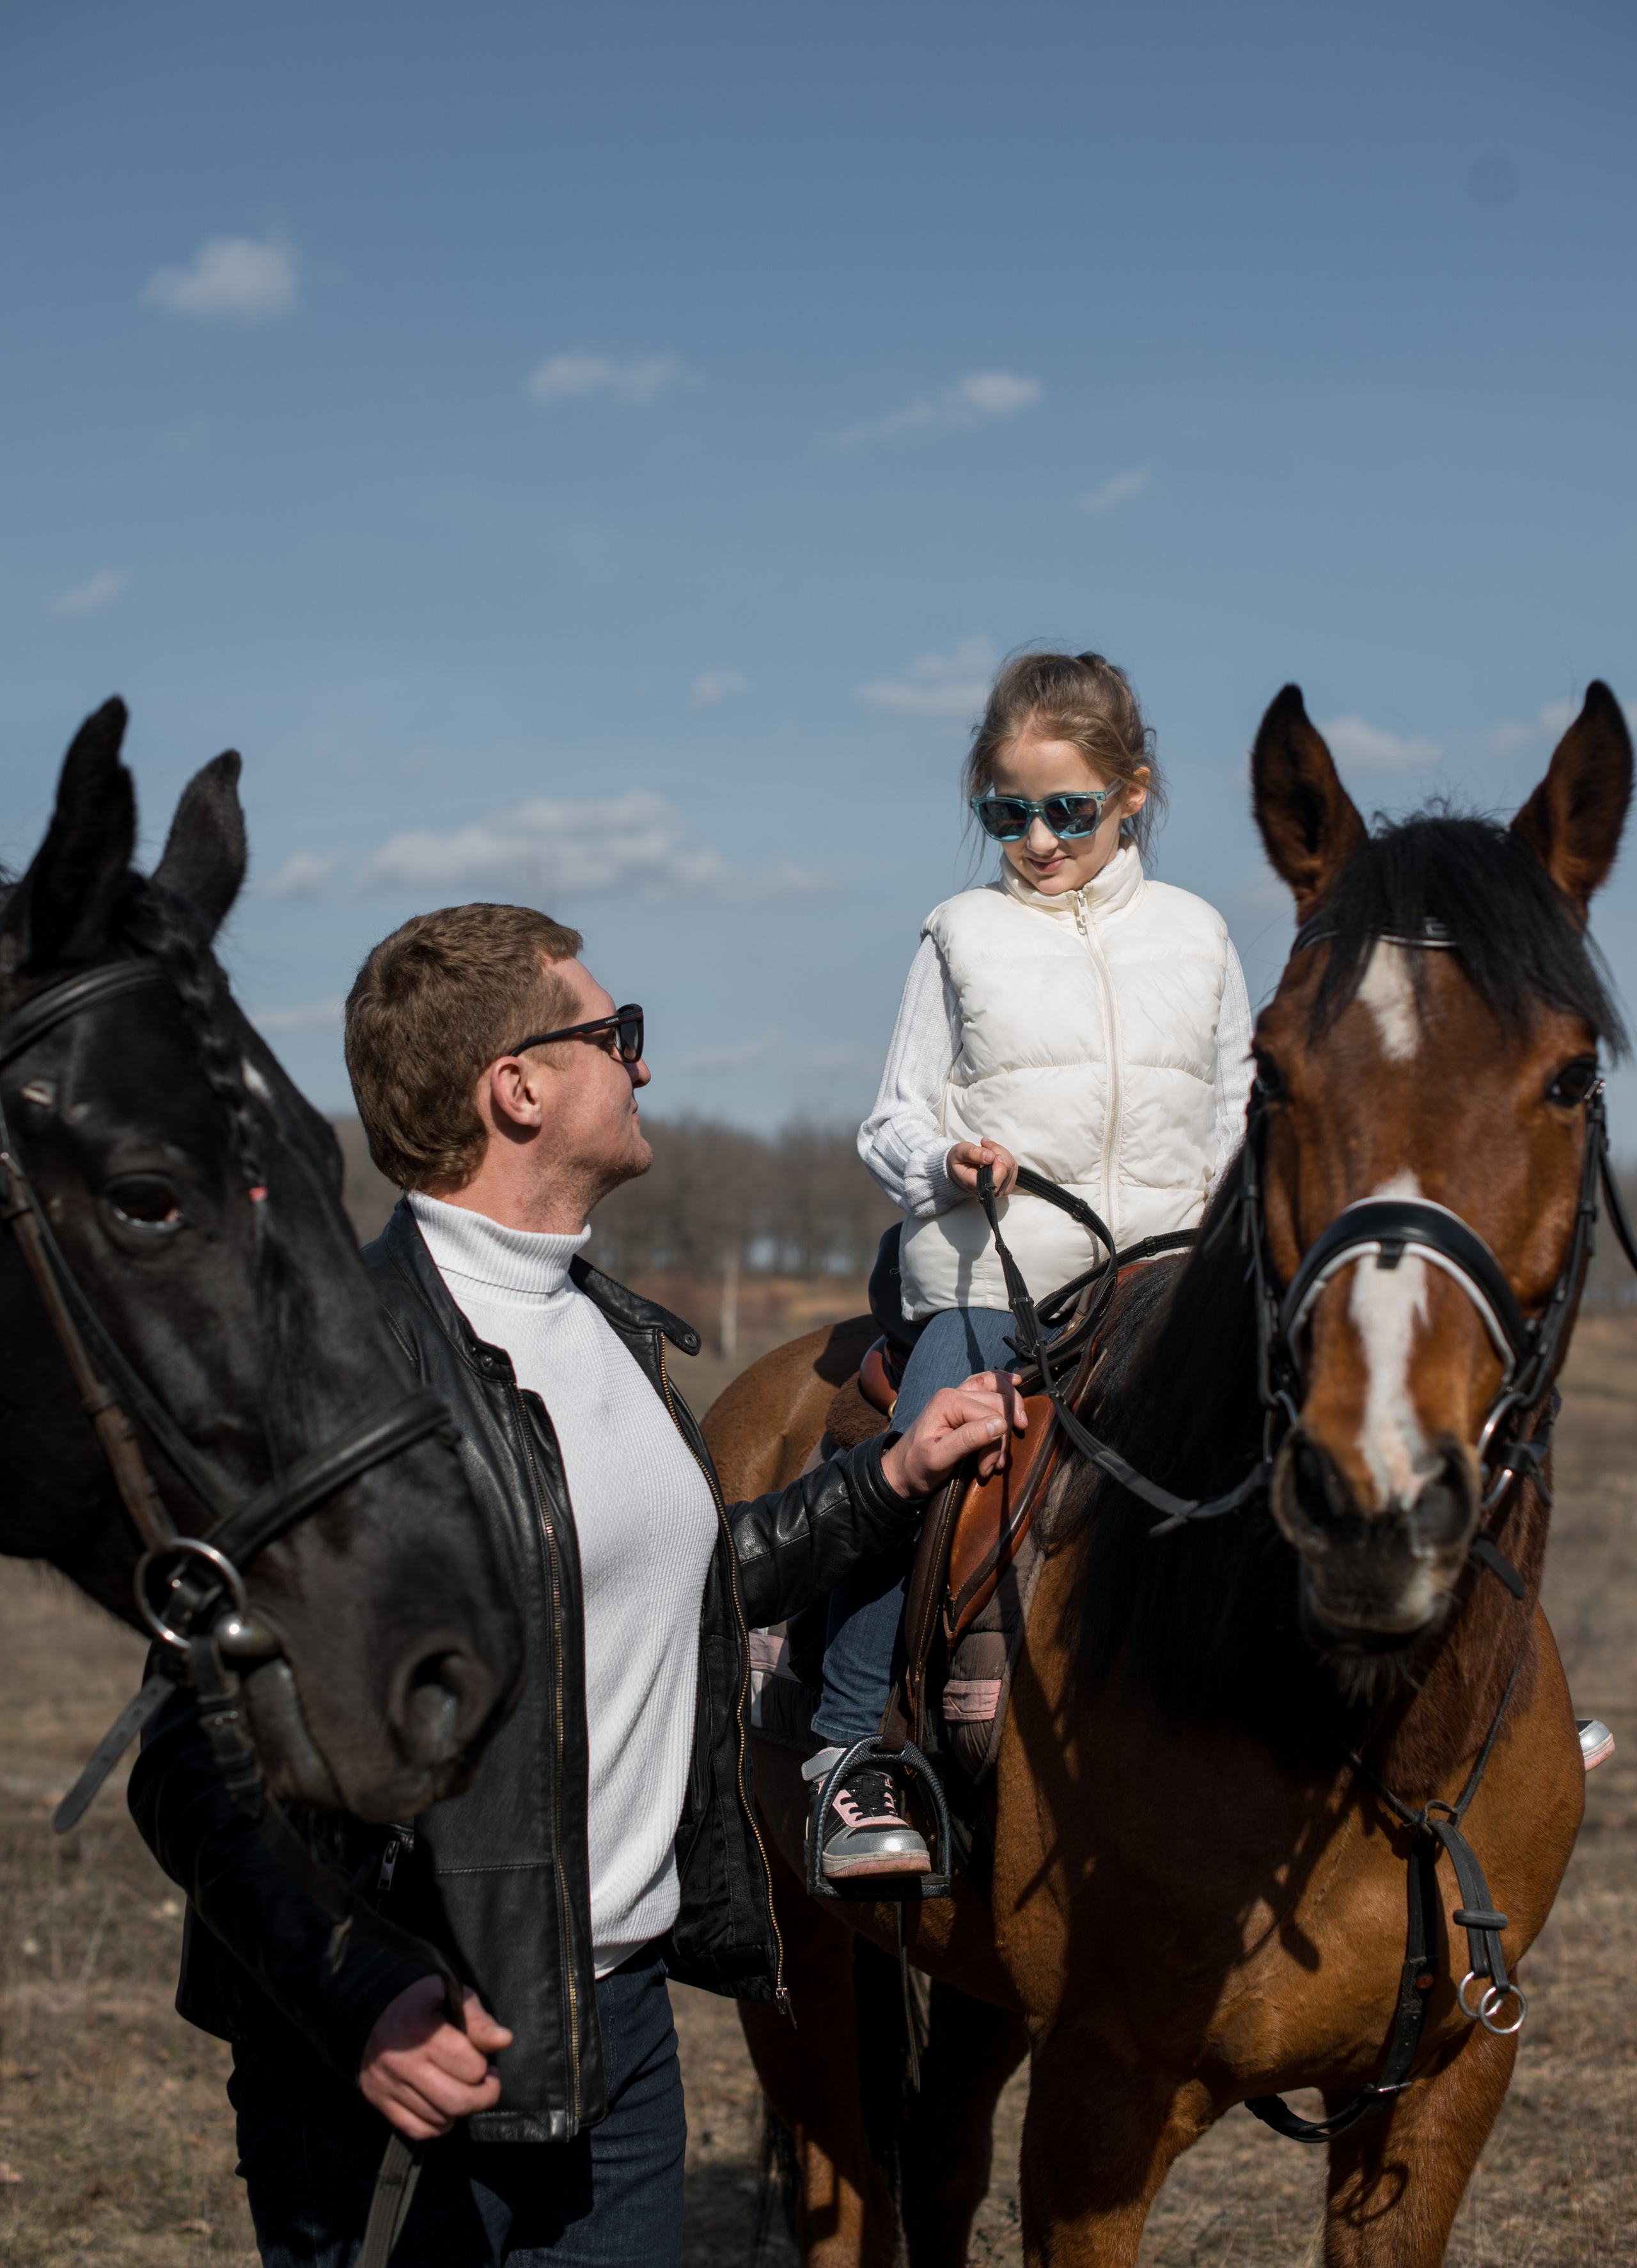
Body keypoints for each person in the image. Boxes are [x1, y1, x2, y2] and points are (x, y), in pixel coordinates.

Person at [130, 901, 1022, 2268]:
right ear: (519, 1087)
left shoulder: (596, 1326)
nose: (644, 1066)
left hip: (620, 2031)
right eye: (618, 1036)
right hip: (423, 2045)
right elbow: (190, 1757)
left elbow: (662, 1591)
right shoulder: (335, 1367)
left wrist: (890, 1479)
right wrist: (362, 1993)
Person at [804, 650, 1254, 1881]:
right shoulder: (961, 935)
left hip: (1168, 1281)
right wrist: (947, 1158)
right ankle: (851, 1754)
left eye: (1069, 809)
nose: (1039, 839)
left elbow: (1234, 1113)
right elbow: (890, 1119)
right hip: (994, 1281)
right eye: (1007, 814)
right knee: (932, 1466)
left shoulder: (1200, 936)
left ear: (1135, 795)